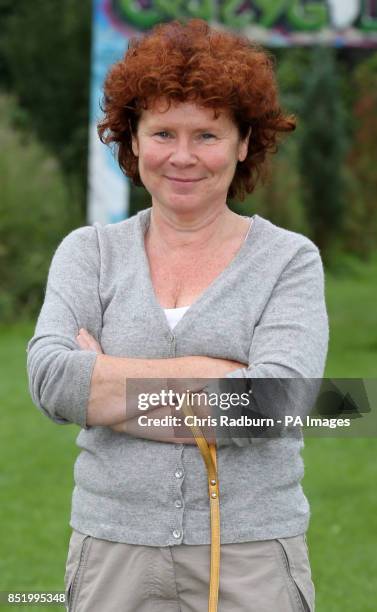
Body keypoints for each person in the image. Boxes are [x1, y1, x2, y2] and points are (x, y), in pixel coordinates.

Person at [27, 18, 328, 612]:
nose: (183, 157)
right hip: (111, 550)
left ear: (244, 143)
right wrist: (214, 375)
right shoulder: (87, 252)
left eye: (207, 136)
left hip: (252, 553)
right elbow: (53, 382)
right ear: (132, 140)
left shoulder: (290, 259)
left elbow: (276, 404)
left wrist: (110, 380)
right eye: (163, 132)